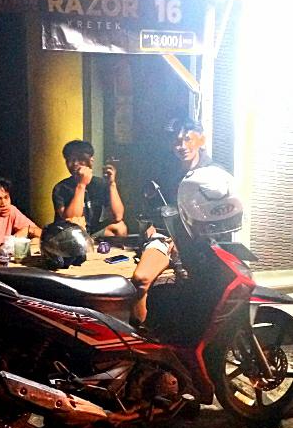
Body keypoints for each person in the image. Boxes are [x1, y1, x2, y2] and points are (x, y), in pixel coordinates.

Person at [129, 116, 214, 330]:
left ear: (201, 140)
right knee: (140, 279)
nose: (182, 146)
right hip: (166, 236)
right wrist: (149, 225)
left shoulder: (213, 173)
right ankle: (138, 337)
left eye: (188, 139)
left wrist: (187, 238)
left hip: (202, 243)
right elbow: (152, 208)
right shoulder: (166, 172)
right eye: (177, 141)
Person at [52, 140, 127, 238]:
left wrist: (112, 184)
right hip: (68, 236)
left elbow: (118, 216)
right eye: (70, 160)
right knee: (73, 229)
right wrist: (81, 185)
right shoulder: (61, 188)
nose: (75, 163)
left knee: (120, 227)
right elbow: (71, 221)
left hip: (92, 232)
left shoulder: (99, 184)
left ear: (91, 161)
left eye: (80, 159)